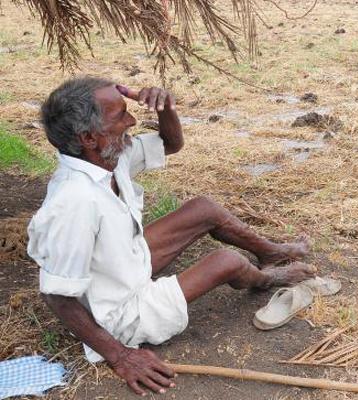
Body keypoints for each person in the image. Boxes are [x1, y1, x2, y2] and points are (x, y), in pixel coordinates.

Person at [27, 77, 316, 395]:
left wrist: (165, 108)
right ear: (89, 137)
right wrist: (121, 357)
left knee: (203, 209)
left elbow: (170, 144)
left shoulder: (104, 155)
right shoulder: (73, 202)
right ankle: (266, 278)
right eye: (121, 116)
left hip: (123, 267)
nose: (132, 121)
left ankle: (270, 252)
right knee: (227, 261)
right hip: (118, 314)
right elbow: (56, 295)